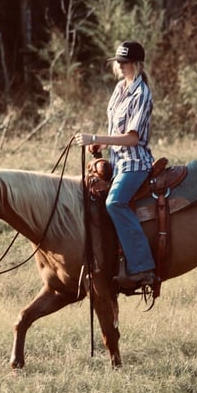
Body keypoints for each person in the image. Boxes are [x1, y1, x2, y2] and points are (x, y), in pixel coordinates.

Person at [75, 40, 156, 293]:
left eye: (125, 62)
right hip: (118, 161)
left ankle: (143, 266)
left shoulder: (142, 94)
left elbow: (132, 138)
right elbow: (116, 130)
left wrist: (96, 138)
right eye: (118, 62)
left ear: (137, 64)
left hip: (135, 164)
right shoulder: (120, 88)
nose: (120, 66)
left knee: (115, 202)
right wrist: (98, 147)